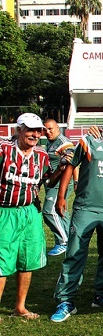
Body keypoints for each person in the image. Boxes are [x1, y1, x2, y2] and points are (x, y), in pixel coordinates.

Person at [52, 102, 103, 322]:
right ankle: (65, 300)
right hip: (86, 206)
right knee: (75, 253)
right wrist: (61, 197)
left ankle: (102, 295)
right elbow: (70, 165)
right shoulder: (89, 139)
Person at [0, 114, 51, 319]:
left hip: (30, 211)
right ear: (19, 129)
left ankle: (20, 307)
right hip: (5, 210)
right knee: (2, 260)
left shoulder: (41, 155)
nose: (35, 134)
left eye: (38, 131)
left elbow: (46, 178)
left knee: (27, 259)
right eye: (30, 130)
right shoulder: (3, 150)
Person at [42, 118, 75, 257]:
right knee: (61, 212)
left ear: (57, 128)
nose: (48, 132)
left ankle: (63, 242)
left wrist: (77, 181)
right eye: (45, 129)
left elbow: (73, 163)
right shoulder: (50, 143)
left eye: (51, 129)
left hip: (61, 183)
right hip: (51, 182)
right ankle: (71, 241)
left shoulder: (64, 143)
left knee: (49, 211)